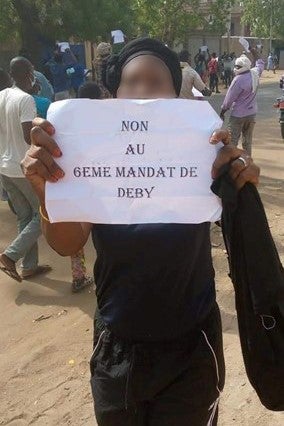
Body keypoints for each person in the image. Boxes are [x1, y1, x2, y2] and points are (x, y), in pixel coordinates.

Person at [21, 38, 260, 425]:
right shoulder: (91, 157)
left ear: (175, 94)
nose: (143, 90)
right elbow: (68, 243)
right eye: (132, 81)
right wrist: (46, 191)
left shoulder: (200, 150)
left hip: (191, 347)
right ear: (115, 96)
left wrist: (240, 180)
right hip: (117, 346)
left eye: (156, 81)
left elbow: (238, 227)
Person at [0, 57, 51, 282]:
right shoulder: (26, 99)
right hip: (22, 168)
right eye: (32, 71)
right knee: (45, 213)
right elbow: (27, 135)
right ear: (28, 73)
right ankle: (11, 255)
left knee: (24, 215)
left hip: (4, 166)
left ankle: (29, 266)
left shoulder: (2, 95)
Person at [70, 81, 101, 293]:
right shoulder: (105, 119)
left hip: (77, 184)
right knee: (105, 233)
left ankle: (78, 276)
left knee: (78, 235)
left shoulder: (70, 119)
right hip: (99, 187)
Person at [220, 49, 264, 155]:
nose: (236, 69)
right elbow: (260, 63)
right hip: (251, 114)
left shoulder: (238, 80)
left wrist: (222, 111)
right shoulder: (254, 73)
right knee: (247, 142)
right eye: (236, 66)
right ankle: (247, 163)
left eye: (238, 67)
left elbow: (229, 99)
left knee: (232, 141)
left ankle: (231, 164)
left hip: (238, 116)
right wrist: (254, 52)